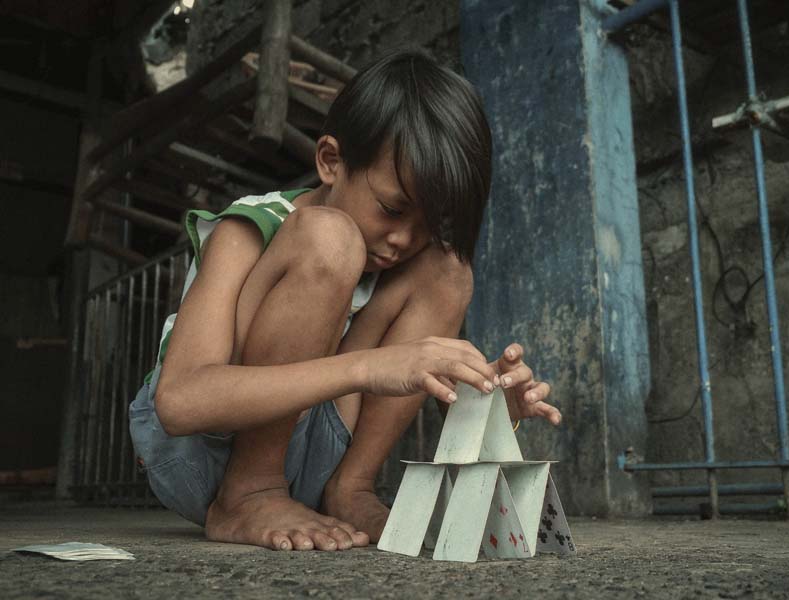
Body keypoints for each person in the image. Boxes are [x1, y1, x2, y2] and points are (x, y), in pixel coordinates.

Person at [129, 48, 561, 552]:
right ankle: (249, 491)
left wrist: (483, 399)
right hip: (199, 451)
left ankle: (350, 486)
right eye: (392, 208)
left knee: (450, 267)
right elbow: (180, 404)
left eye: (428, 222)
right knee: (330, 239)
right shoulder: (248, 230)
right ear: (331, 161)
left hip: (311, 452)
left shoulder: (407, 261)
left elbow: (396, 369)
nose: (403, 239)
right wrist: (366, 366)